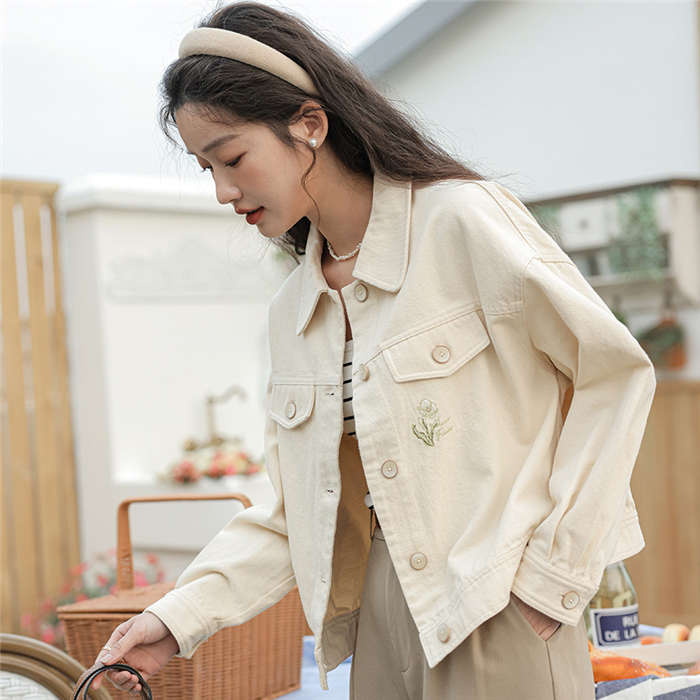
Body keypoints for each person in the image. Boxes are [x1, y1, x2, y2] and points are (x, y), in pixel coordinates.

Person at [91, 2, 657, 698]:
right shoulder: (294, 311)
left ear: (309, 124)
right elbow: (298, 513)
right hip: (378, 618)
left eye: (232, 158)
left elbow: (613, 376)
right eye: (205, 167)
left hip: (496, 607)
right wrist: (176, 618)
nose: (222, 191)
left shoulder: (459, 221)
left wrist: (553, 576)